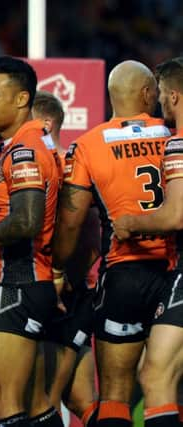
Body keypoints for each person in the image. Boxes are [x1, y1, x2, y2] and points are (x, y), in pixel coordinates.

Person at [52, 60, 172, 427]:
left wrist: (60, 269)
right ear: (149, 94)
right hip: (173, 271)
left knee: (115, 393)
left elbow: (73, 222)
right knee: (167, 385)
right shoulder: (172, 135)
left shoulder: (87, 145)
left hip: (123, 274)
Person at [0, 55, 62, 427]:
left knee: (3, 393)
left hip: (19, 279)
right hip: (21, 282)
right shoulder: (10, 146)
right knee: (30, 398)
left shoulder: (26, 151)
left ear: (21, 99)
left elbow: (27, 221)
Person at [113, 57, 183, 427]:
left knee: (155, 375)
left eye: (161, 97)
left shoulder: (177, 145)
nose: (157, 106)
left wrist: (130, 224)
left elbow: (176, 216)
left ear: (173, 96)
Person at [32, 91, 99, 425]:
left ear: (44, 124)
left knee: (44, 398)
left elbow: (88, 231)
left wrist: (62, 277)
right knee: (82, 400)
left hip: (63, 296)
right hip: (74, 293)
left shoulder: (64, 167)